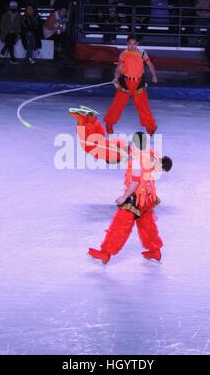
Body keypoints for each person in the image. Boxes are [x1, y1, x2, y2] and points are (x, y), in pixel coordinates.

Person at [69, 108, 173, 264]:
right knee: (147, 225)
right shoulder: (152, 155)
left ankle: (105, 253)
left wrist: (123, 197)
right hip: (148, 198)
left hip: (135, 198)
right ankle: (154, 251)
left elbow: (136, 181)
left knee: (120, 226)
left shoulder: (137, 159)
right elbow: (161, 166)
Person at [104, 35, 158, 136]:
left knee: (143, 106)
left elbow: (150, 64)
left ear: (137, 44)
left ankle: (150, 127)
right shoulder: (124, 54)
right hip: (126, 82)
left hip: (138, 83)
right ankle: (109, 123)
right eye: (130, 44)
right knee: (118, 104)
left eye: (134, 44)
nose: (132, 46)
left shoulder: (142, 53)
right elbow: (119, 68)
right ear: (127, 44)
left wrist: (154, 76)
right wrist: (116, 77)